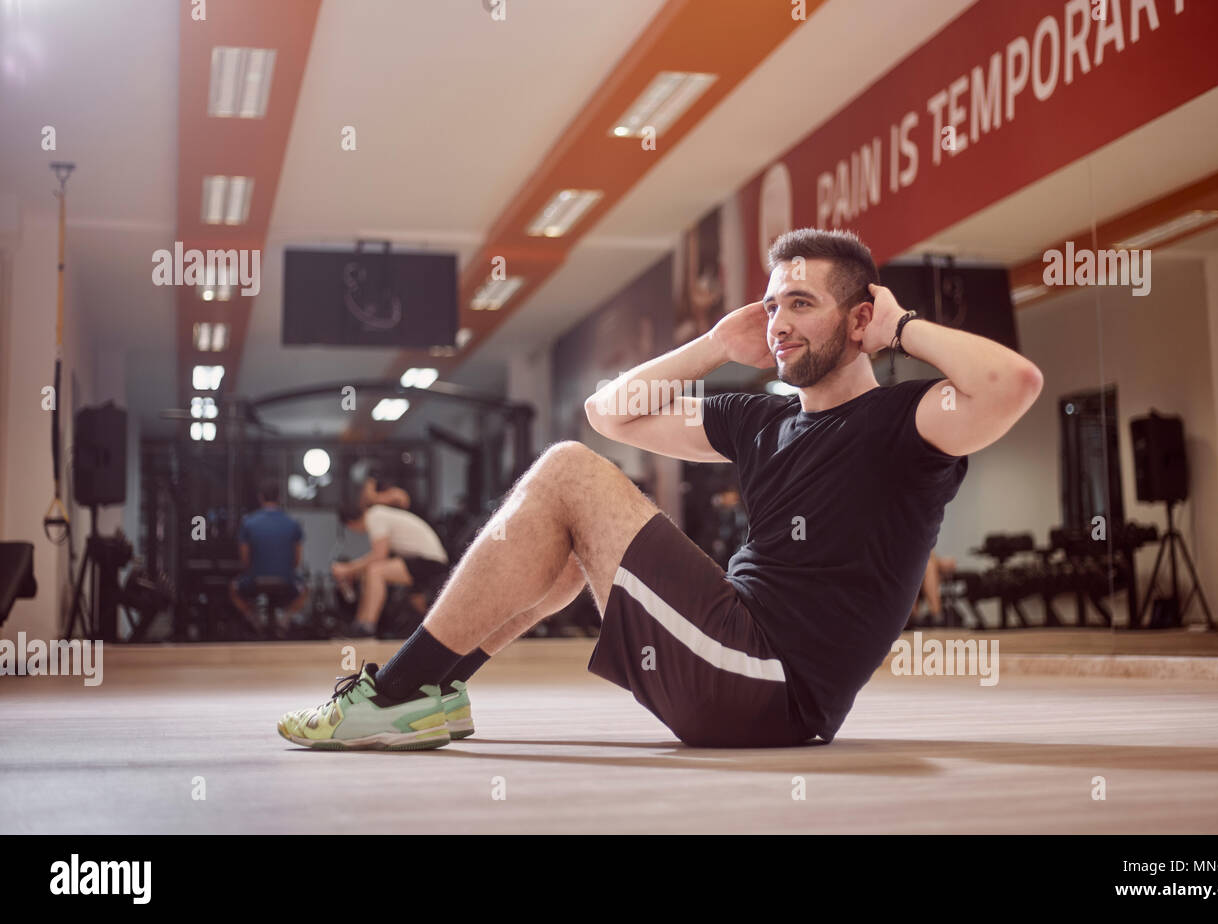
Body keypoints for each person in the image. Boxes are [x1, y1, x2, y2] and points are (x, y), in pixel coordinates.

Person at [277, 227, 1042, 750]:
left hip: (768, 684)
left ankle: (393, 696)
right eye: (772, 304)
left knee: (568, 472)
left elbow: (1013, 383)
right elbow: (609, 411)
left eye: (801, 303)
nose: (777, 321)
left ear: (861, 319)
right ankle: (431, 693)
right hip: (735, 654)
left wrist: (903, 328)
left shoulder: (904, 422)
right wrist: (712, 345)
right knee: (571, 511)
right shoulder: (760, 419)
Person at [333, 502, 449, 638]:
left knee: (376, 571)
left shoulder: (374, 516)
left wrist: (348, 569)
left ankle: (365, 626)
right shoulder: (377, 514)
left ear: (350, 524)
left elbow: (379, 555)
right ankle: (361, 623)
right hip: (425, 559)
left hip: (429, 561)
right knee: (373, 574)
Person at [229, 479, 306, 635]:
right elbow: (297, 560)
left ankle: (255, 619)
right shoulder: (292, 523)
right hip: (286, 579)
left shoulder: (248, 522)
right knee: (305, 590)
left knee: (233, 588)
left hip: (255, 578)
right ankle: (283, 619)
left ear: (260, 497)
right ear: (279, 497)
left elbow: (245, 560)